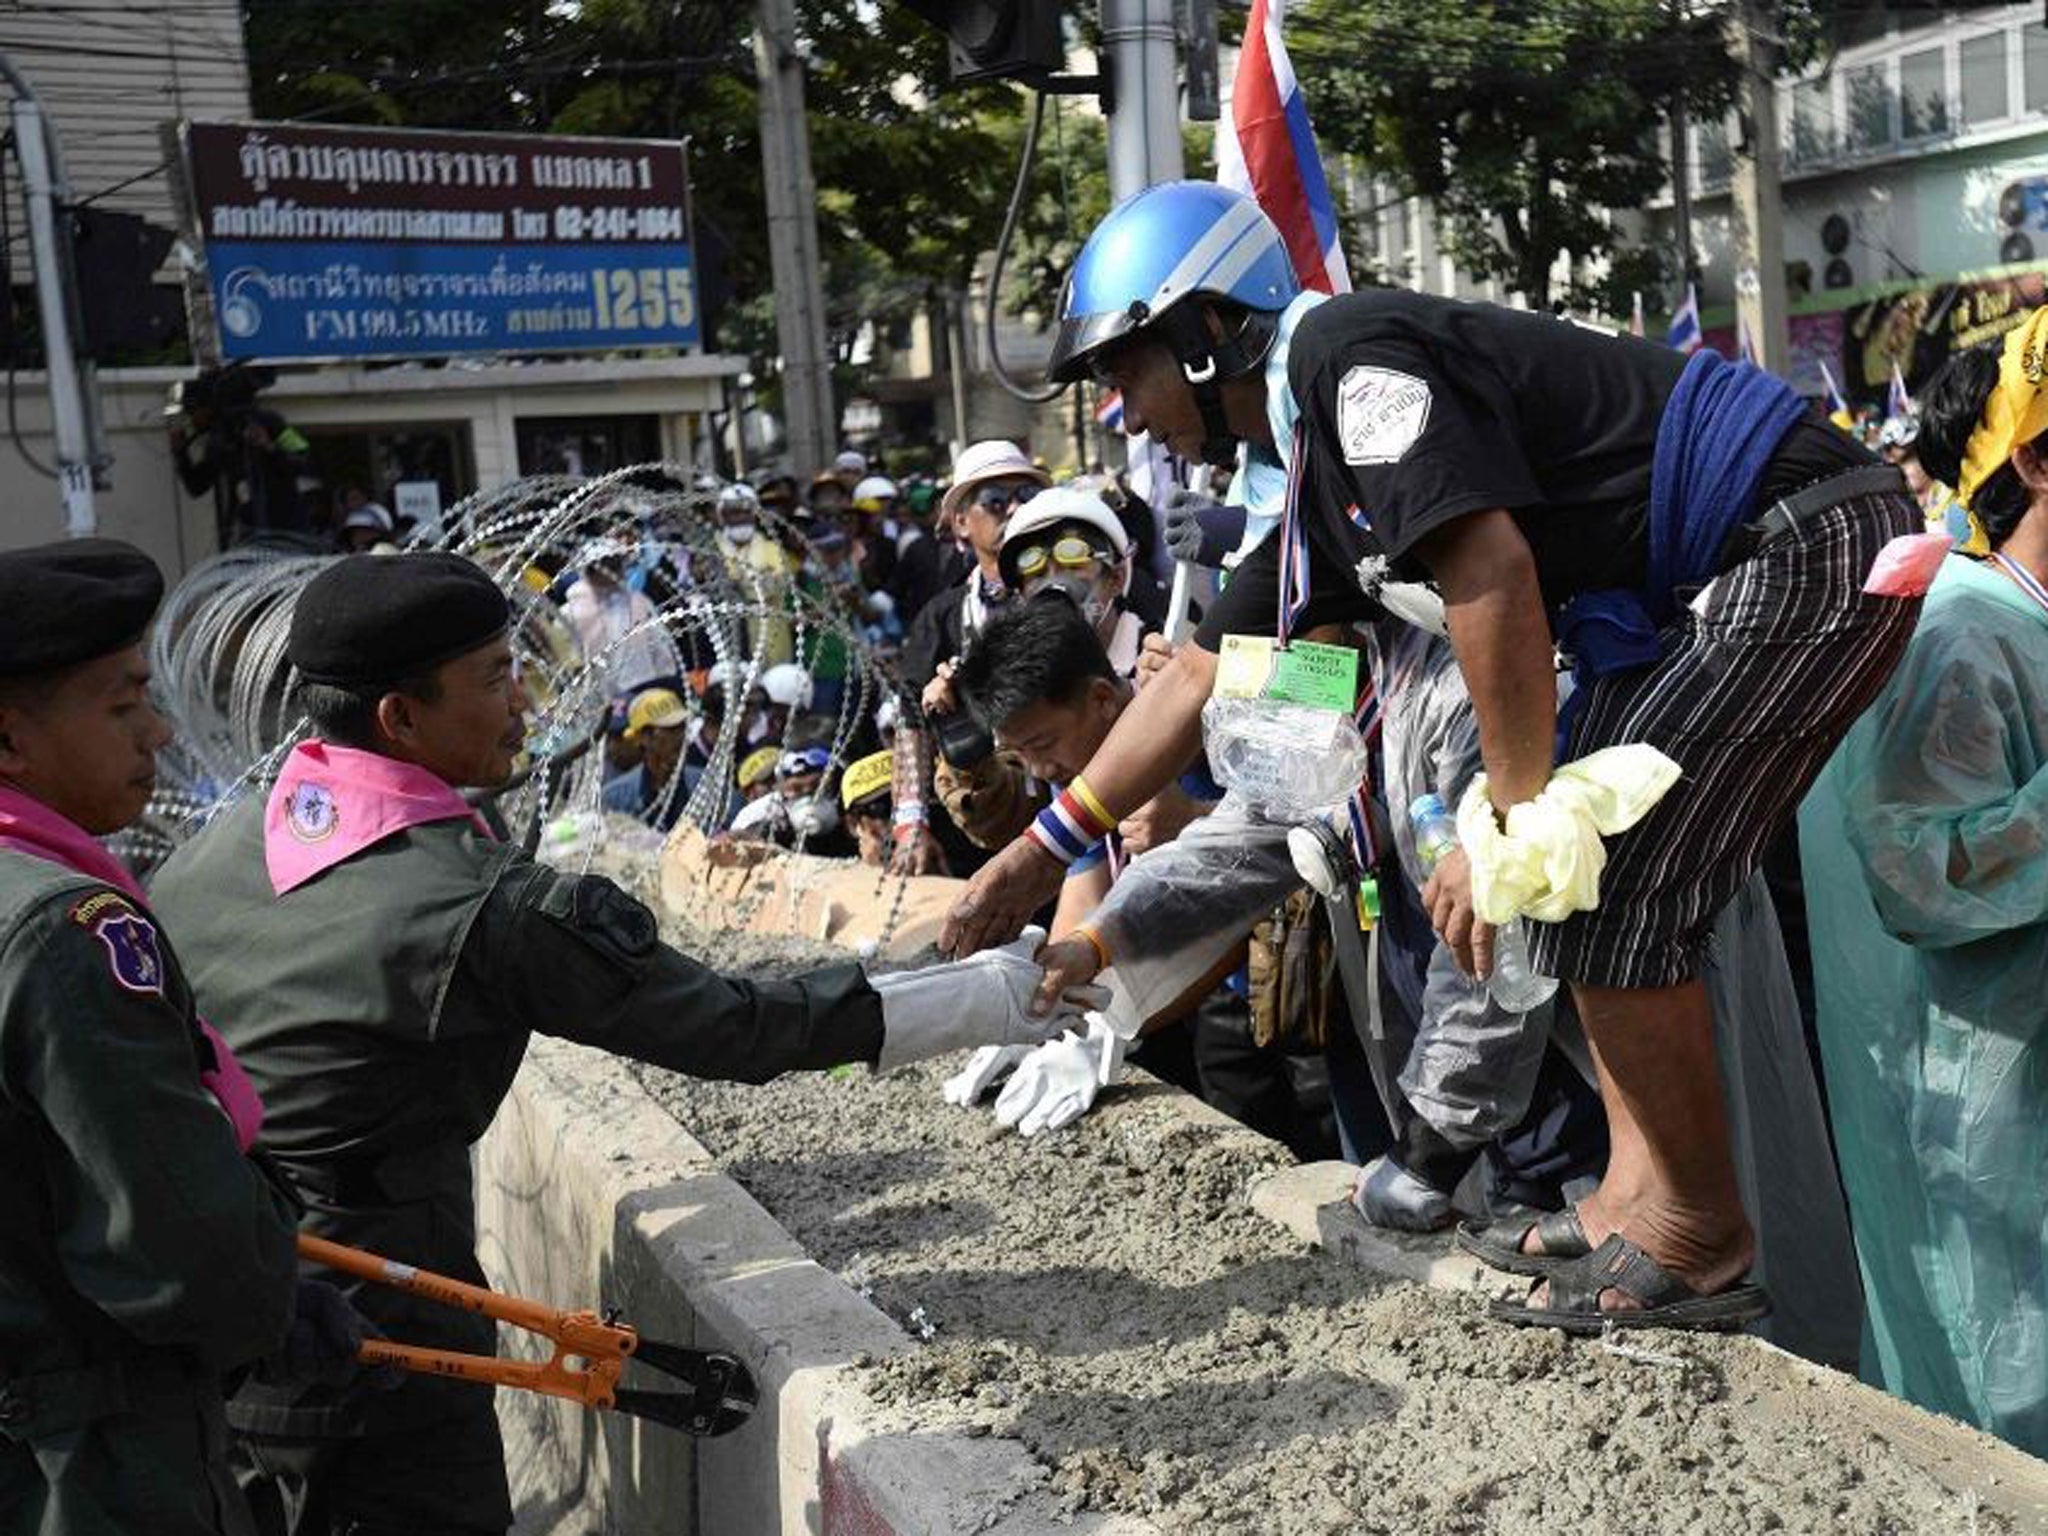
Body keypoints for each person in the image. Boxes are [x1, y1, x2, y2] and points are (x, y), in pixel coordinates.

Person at [949, 179, 1931, 1332]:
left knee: (1591, 867)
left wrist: (1512, 824)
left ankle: (1696, 1233)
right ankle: (1633, 1197)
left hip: (1804, 543)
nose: (1119, 410)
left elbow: (1490, 576)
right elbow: (1197, 680)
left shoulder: (1351, 360)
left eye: (1123, 370)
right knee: (1578, 879)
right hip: (1749, 567)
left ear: (1204, 329)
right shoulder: (1317, 479)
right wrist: (1034, 856)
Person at [145, 552, 1105, 1536]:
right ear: (400, 718)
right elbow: (731, 1026)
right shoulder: (470, 904)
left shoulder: (207, 858)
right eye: (490, 679)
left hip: (219, 1314)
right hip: (380, 1341)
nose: (524, 699)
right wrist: (970, 1002)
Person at [0, 540, 359, 1536]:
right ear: (8, 743)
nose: (157, 731)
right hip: (85, 1465)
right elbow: (179, 1252)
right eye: (121, 705)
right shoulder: (65, 935)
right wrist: (267, 1297)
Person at [1801, 318, 2048, 1449]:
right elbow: (1915, 870)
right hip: (1982, 1117)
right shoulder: (1958, 633)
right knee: (1993, 1396)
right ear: (2034, 461)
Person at [890, 441, 1051, 876]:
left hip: (1066, 803)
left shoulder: (1069, 594)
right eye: (995, 502)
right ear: (961, 523)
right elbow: (911, 720)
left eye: (1027, 498)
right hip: (981, 811)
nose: (1013, 510)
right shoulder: (944, 616)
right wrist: (910, 824)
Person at [601, 687, 690, 831]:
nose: (680, 736)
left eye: (682, 727)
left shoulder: (704, 783)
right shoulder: (615, 797)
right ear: (643, 737)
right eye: (670, 729)